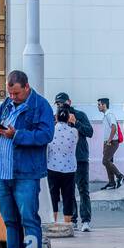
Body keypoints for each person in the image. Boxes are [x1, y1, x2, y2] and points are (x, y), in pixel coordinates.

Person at [0, 70, 54, 248]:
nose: (13, 97)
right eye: (10, 93)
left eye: (16, 93)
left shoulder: (40, 106)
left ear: (26, 87)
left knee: (29, 221)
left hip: (26, 174)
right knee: (10, 222)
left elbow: (46, 135)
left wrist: (17, 135)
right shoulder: (6, 104)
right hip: (3, 174)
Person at [53, 92, 94, 231]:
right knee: (68, 192)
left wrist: (75, 123)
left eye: (62, 103)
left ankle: (86, 221)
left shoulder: (80, 115)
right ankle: (73, 220)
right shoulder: (57, 119)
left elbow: (90, 132)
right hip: (65, 162)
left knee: (83, 190)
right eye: (58, 104)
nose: (60, 106)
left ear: (69, 102)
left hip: (80, 158)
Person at [46, 101, 79, 228]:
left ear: (56, 117)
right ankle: (67, 224)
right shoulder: (74, 132)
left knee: (53, 196)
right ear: (69, 117)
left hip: (52, 167)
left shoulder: (51, 131)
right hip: (70, 169)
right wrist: (73, 122)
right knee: (68, 196)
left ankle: (53, 223)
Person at [96, 97, 124, 190]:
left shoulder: (109, 114)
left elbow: (114, 127)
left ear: (104, 105)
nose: (98, 106)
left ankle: (120, 176)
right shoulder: (106, 115)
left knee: (105, 161)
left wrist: (109, 141)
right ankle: (111, 182)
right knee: (109, 161)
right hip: (108, 142)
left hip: (112, 142)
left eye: (99, 105)